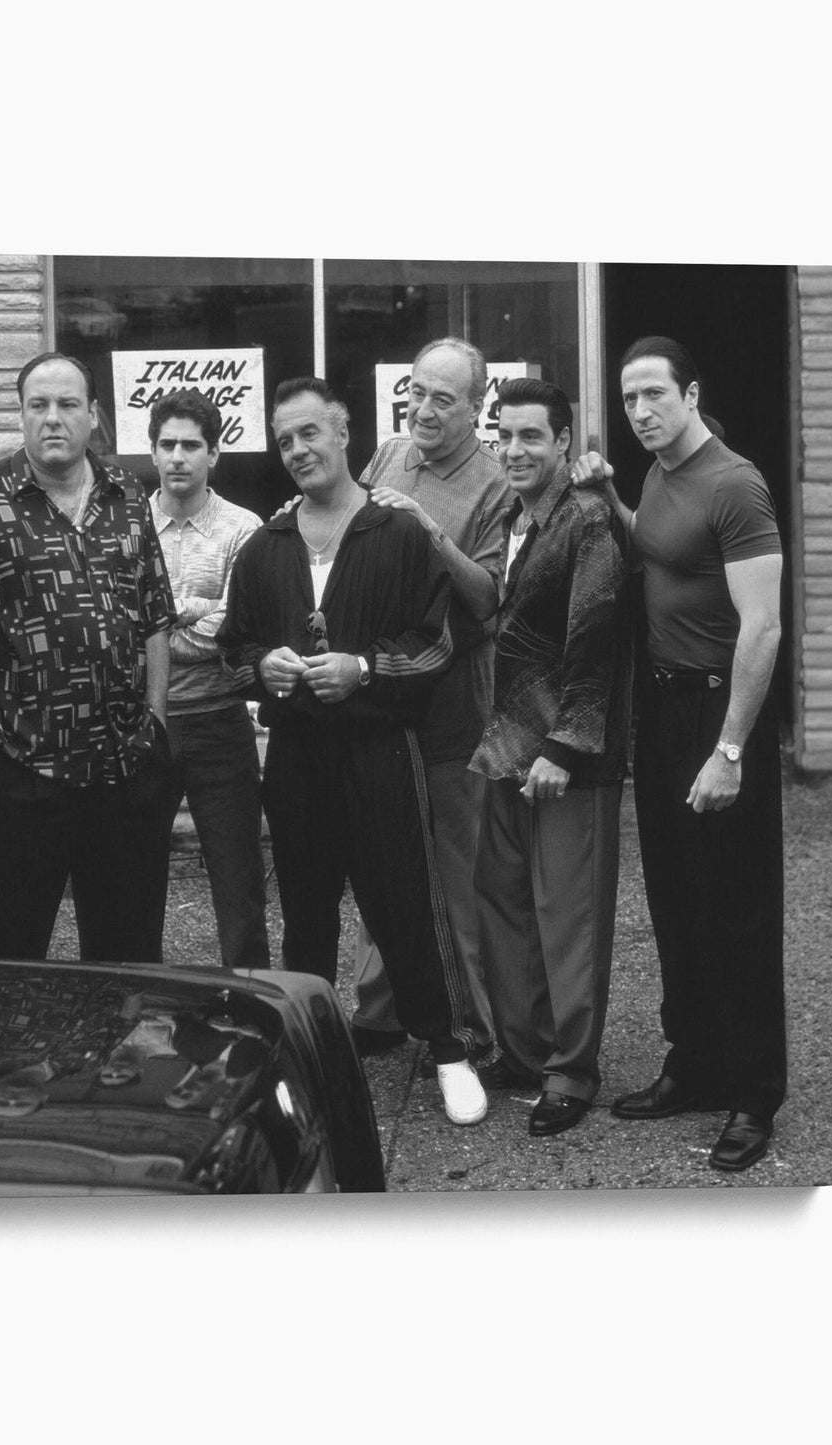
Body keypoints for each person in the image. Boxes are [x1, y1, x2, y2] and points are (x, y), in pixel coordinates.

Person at [217, 377, 487, 1126]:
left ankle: (447, 1049)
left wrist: (364, 668)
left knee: (404, 903)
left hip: (379, 749)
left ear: (342, 434)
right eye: (285, 440)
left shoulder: (395, 532)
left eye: (310, 432)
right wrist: (263, 667)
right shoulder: (266, 546)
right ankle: (305, 1055)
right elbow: (232, 648)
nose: (298, 449)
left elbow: (434, 642)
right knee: (306, 915)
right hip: (297, 754)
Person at [572, 335, 785, 1172]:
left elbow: (761, 626)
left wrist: (729, 749)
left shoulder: (735, 484)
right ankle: (694, 1064)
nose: (640, 411)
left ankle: (753, 1092)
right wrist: (610, 498)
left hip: (718, 713)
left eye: (654, 394)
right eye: (629, 398)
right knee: (676, 899)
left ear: (690, 394)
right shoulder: (661, 473)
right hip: (662, 711)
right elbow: (661, 549)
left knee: (736, 907)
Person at [0, 351, 176, 963]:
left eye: (67, 404)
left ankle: (113, 1033)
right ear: (21, 415)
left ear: (93, 415)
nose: (52, 418)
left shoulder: (128, 497)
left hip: (124, 767)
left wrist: (156, 720)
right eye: (38, 405)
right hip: (18, 769)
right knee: (4, 958)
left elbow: (154, 614)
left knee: (126, 961)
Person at [470, 378, 631, 1136]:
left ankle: (570, 1071)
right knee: (503, 900)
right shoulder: (515, 515)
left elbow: (596, 637)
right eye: (504, 435)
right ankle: (523, 1049)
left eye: (530, 436)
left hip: (568, 752)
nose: (514, 449)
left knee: (568, 915)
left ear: (563, 441)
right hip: (508, 741)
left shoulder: (587, 517)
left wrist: (565, 746)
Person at [350, 337, 511, 1064]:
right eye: (415, 392)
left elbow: (487, 600)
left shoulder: (495, 482)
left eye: (443, 399)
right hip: (381, 692)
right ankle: (380, 1009)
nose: (423, 409)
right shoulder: (388, 454)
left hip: (452, 703)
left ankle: (469, 1022)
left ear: (476, 408)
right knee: (381, 851)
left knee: (455, 867)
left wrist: (429, 530)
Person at [145, 388, 270, 970]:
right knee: (132, 879)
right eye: (167, 444)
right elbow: (113, 627)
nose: (178, 457)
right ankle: (137, 999)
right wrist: (194, 611)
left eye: (191, 445)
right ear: (152, 451)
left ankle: (249, 1004)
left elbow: (233, 630)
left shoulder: (243, 529)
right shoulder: (126, 525)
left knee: (238, 882)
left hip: (220, 723)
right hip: (144, 723)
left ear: (214, 454)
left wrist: (156, 631)